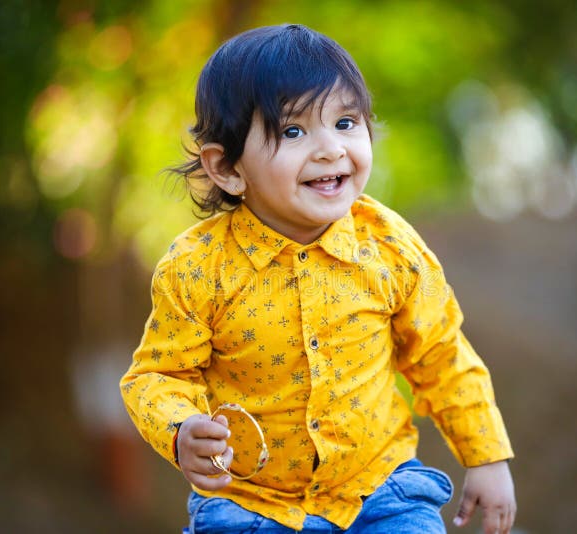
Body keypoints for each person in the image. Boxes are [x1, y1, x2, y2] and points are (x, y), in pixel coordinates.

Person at [121, 24, 516, 534]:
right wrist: (181, 430)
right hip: (249, 502)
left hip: (380, 492)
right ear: (227, 168)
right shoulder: (198, 268)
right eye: (293, 131)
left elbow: (441, 354)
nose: (331, 149)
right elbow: (158, 376)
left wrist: (485, 456)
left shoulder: (390, 247)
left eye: (346, 122)